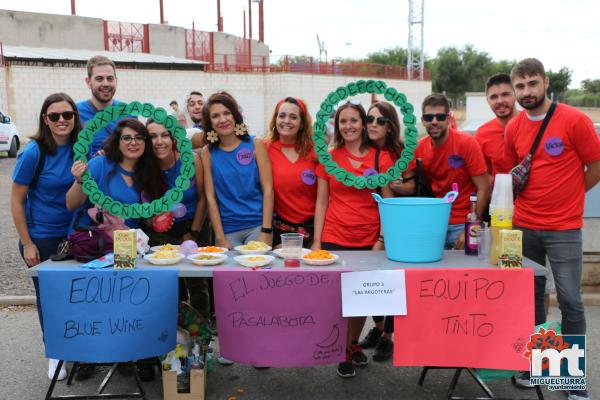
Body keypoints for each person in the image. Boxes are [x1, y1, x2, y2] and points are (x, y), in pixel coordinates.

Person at [504, 58, 600, 400]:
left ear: (545, 82)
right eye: (520, 86)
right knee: (528, 301)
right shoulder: (513, 127)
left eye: (532, 83)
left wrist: (573, 195)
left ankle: (571, 379)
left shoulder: (574, 120)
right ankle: (537, 367)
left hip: (563, 229)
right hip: (522, 225)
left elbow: (597, 164)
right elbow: (512, 171)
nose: (526, 91)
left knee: (571, 301)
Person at [312, 101, 393, 378]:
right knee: (339, 301)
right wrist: (317, 241)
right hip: (335, 235)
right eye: (342, 121)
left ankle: (350, 346)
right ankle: (343, 348)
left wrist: (381, 238)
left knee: (361, 299)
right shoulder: (328, 157)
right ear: (337, 125)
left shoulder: (381, 158)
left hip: (369, 238)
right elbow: (322, 201)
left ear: (363, 123)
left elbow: (387, 203)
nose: (348, 126)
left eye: (354, 121)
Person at [11, 93, 82, 381]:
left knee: (75, 297)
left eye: (67, 115)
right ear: (45, 120)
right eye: (55, 116)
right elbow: (16, 201)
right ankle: (54, 353)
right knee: (49, 300)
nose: (62, 120)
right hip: (42, 238)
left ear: (75, 118)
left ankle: (76, 348)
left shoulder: (82, 147)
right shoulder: (33, 152)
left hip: (75, 237)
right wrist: (28, 243)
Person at [411, 93, 489, 249]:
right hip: (433, 224)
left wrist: (471, 226)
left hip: (463, 223)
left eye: (440, 117)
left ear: (448, 119)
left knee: (468, 273)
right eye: (429, 117)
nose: (434, 122)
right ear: (422, 121)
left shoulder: (466, 143)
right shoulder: (418, 148)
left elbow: (484, 188)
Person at [201, 91, 274, 249]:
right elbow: (210, 197)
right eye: (215, 116)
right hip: (227, 231)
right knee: (228, 274)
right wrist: (219, 237)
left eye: (227, 113)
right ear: (209, 122)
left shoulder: (255, 144)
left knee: (256, 273)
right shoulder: (207, 152)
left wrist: (266, 230)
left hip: (257, 227)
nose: (222, 119)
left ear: (235, 115)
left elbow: (268, 189)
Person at [358, 101, 402, 362]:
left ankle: (388, 337)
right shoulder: (360, 151)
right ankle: (378, 327)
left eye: (380, 121)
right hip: (364, 229)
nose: (373, 124)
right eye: (370, 119)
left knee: (389, 286)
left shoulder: (397, 156)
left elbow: (407, 190)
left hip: (392, 228)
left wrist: (384, 237)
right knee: (368, 286)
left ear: (390, 126)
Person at [67, 119, 165, 230]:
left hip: (132, 243)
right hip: (95, 242)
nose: (133, 142)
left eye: (139, 138)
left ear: (145, 142)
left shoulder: (150, 171)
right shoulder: (99, 164)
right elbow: (71, 205)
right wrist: (80, 181)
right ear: (117, 142)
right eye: (126, 138)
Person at [265, 97, 317, 248]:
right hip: (280, 228)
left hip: (313, 228)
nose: (286, 121)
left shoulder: (315, 151)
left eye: (293, 117)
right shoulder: (264, 149)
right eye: (282, 116)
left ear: (302, 124)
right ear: (275, 120)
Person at [475, 73, 519, 183]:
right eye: (494, 97)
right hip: (500, 197)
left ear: (516, 95)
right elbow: (485, 174)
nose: (499, 101)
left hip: (533, 197)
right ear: (487, 100)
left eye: (505, 94)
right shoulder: (482, 134)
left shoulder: (532, 124)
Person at [76, 55, 123, 157]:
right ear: (88, 82)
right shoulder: (74, 114)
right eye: (99, 79)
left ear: (116, 81)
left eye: (110, 78)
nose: (105, 84)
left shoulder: (128, 113)